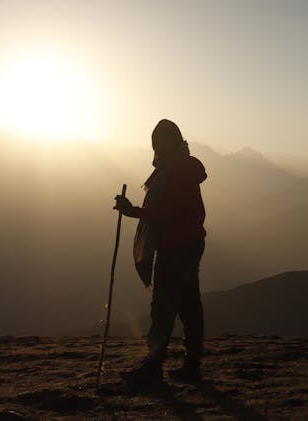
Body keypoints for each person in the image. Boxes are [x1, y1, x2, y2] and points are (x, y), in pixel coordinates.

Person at [114, 119, 207, 384]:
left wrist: (133, 211)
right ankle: (192, 366)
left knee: (163, 307)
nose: (156, 151)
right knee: (189, 305)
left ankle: (153, 367)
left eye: (159, 145)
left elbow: (169, 212)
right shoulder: (179, 167)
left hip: (176, 247)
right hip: (188, 244)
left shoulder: (178, 171)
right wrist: (134, 211)